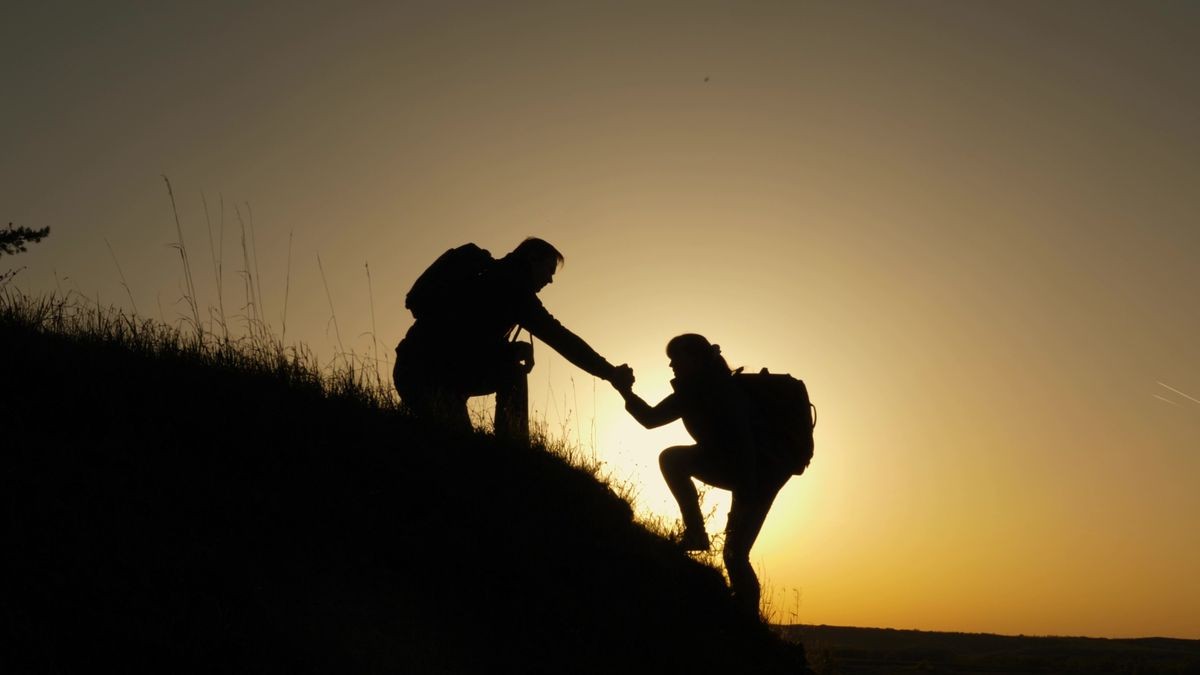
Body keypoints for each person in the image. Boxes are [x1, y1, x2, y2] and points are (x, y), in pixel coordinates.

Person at [612, 333, 795, 613]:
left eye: (676, 359)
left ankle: (745, 617)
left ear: (696, 358)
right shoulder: (703, 388)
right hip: (750, 472)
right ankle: (743, 614)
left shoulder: (712, 391)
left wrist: (746, 496)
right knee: (735, 554)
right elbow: (651, 420)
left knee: (735, 554)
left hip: (756, 476)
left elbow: (743, 442)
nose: (672, 366)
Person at [394, 237, 632, 439]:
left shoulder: (488, 274)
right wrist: (610, 373)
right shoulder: (516, 292)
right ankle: (514, 451)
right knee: (512, 375)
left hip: (414, 370)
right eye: (548, 271)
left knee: (461, 449)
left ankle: (510, 456)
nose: (550, 280)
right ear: (531, 260)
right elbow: (561, 339)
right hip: (430, 378)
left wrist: (507, 350)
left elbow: (468, 336)